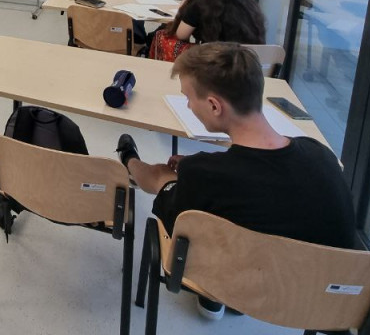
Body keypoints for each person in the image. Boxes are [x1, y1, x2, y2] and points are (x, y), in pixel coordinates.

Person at [117, 43, 355, 320]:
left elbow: (170, 207)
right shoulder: (322, 155)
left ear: (214, 106)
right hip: (322, 302)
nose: (188, 106)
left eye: (188, 98)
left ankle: (128, 159)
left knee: (166, 182)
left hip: (240, 286)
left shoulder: (202, 174)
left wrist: (172, 174)